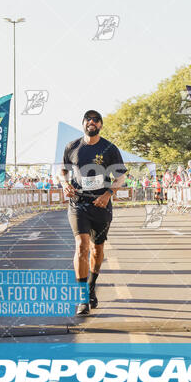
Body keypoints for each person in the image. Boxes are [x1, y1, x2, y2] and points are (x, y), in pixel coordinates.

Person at [60, 110, 127, 315]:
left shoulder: (109, 148)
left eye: (96, 120)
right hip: (78, 203)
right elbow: (63, 170)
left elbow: (121, 177)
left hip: (101, 204)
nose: (92, 122)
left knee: (97, 250)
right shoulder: (72, 146)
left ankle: (91, 287)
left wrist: (108, 195)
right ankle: (82, 298)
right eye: (88, 119)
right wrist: (64, 183)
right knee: (81, 245)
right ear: (82, 124)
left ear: (100, 125)